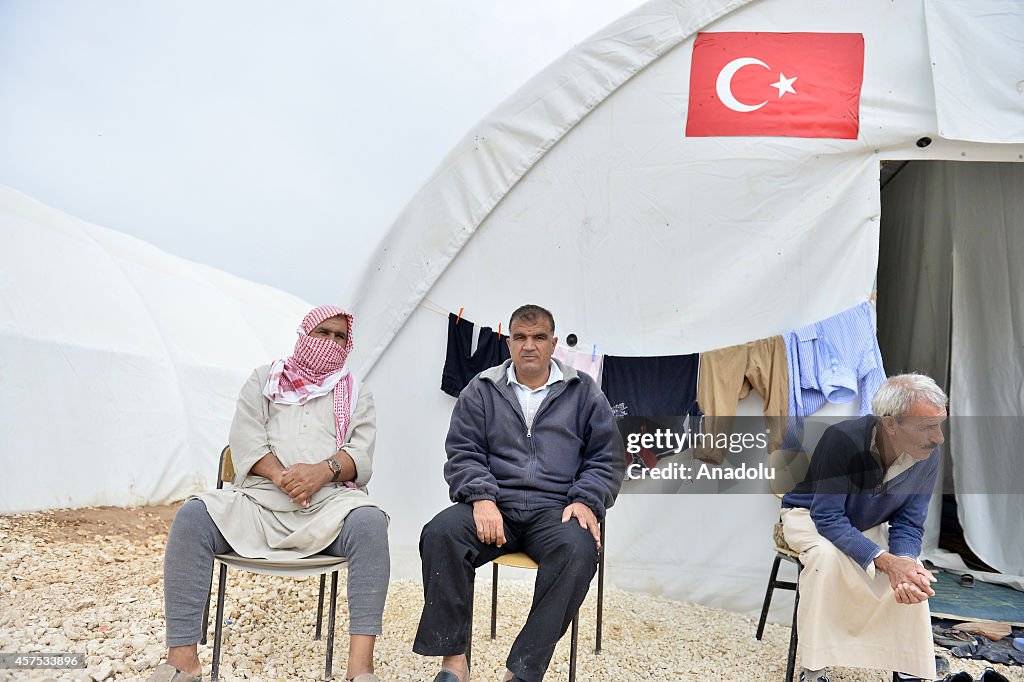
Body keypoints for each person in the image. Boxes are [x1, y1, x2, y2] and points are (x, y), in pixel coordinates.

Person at [149, 305, 389, 682]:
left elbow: (360, 453)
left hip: (328, 505)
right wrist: (283, 477)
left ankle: (360, 671)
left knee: (371, 523)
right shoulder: (265, 379)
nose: (329, 342)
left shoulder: (356, 392)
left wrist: (320, 473)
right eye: (322, 332)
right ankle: (182, 661)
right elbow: (244, 440)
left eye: (339, 337)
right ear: (303, 335)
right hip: (258, 502)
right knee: (192, 516)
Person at [414, 304, 622, 682]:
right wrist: (481, 497)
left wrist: (585, 499)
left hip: (555, 510)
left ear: (553, 343)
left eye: (539, 337)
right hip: (497, 508)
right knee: (440, 533)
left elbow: (606, 457)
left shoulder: (584, 392)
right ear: (508, 342)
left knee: (579, 550)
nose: (530, 346)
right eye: (521, 337)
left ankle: (523, 670)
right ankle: (454, 662)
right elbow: (464, 451)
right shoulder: (481, 389)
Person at [780, 373, 947, 682]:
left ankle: (910, 670)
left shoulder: (928, 454)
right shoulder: (842, 439)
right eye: (927, 427)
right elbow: (827, 517)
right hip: (808, 516)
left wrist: (906, 563)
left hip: (862, 523)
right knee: (826, 560)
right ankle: (814, 671)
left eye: (940, 424)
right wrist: (884, 560)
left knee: (912, 571)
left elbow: (909, 523)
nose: (939, 437)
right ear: (890, 424)